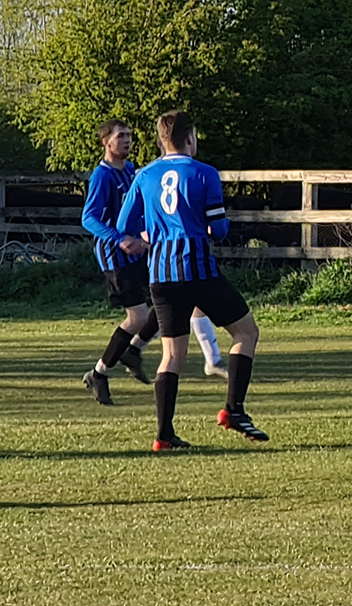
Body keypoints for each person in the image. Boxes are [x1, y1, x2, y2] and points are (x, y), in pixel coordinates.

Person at [116, 111, 266, 449]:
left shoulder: (144, 175)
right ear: (189, 138)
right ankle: (234, 409)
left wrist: (152, 232)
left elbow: (125, 225)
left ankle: (164, 435)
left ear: (161, 140)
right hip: (197, 269)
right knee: (246, 332)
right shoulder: (204, 173)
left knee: (172, 355)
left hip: (160, 275)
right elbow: (219, 228)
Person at [80, 120, 150, 404]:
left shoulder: (131, 170)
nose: (127, 140)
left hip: (139, 251)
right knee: (138, 317)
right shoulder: (103, 176)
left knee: (170, 298)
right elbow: (89, 218)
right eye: (121, 136)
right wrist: (119, 239)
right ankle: (99, 373)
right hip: (116, 256)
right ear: (106, 142)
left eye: (129, 135)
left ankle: (133, 350)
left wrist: (145, 233)